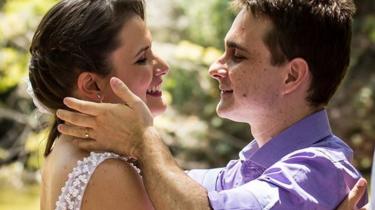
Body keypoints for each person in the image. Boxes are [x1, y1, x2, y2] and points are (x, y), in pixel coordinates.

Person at [56, 0, 369, 209]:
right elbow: (174, 184)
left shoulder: (316, 171)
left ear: (292, 76)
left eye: (237, 55)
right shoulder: (251, 167)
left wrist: (142, 138)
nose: (215, 68)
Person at [28, 0, 169, 209]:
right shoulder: (110, 173)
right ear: (92, 85)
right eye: (142, 59)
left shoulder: (61, 150)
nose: (163, 66)